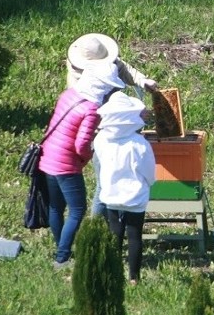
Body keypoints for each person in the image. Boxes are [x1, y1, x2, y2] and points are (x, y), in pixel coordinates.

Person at [38, 62, 125, 269]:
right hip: (66, 164)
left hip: (47, 156)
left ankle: (61, 248)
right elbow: (81, 144)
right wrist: (87, 157)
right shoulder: (91, 110)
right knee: (78, 209)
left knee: (56, 207)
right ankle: (62, 258)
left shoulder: (67, 94)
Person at [64, 33, 158, 218]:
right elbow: (97, 117)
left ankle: (113, 225)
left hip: (121, 133)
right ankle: (96, 228)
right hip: (102, 136)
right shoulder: (79, 86)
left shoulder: (107, 62)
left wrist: (142, 80)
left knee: (118, 181)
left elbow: (122, 67)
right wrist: (135, 115)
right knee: (105, 184)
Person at [93, 91, 156, 285]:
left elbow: (99, 166)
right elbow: (149, 172)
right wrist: (149, 184)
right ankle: (134, 278)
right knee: (134, 235)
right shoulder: (140, 143)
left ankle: (113, 273)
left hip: (111, 194)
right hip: (135, 196)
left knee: (115, 233)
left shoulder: (101, 140)